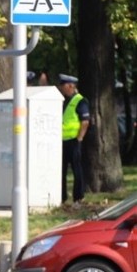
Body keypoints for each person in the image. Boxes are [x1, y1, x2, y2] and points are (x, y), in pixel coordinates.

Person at [58, 74, 90, 204]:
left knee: (77, 170)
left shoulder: (80, 101)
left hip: (74, 141)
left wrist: (80, 138)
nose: (61, 88)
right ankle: (62, 197)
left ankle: (78, 197)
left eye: (63, 85)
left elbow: (85, 122)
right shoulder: (63, 100)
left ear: (71, 86)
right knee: (61, 170)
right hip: (61, 141)